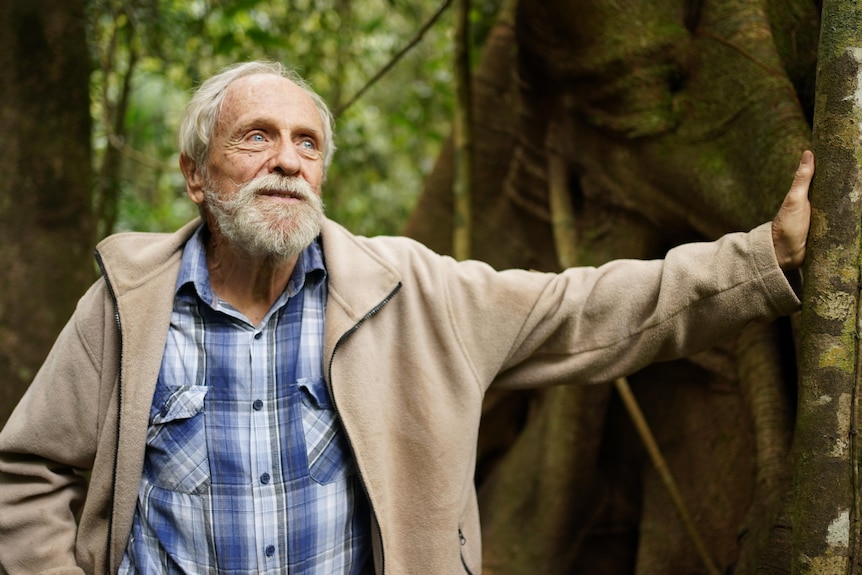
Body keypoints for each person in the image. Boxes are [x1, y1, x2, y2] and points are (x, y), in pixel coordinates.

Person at [0, 60, 813, 575]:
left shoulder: (412, 292)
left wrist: (763, 256)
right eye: (257, 137)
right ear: (194, 175)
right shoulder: (126, 304)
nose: (288, 159)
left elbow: (589, 308)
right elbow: (27, 472)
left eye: (308, 143)